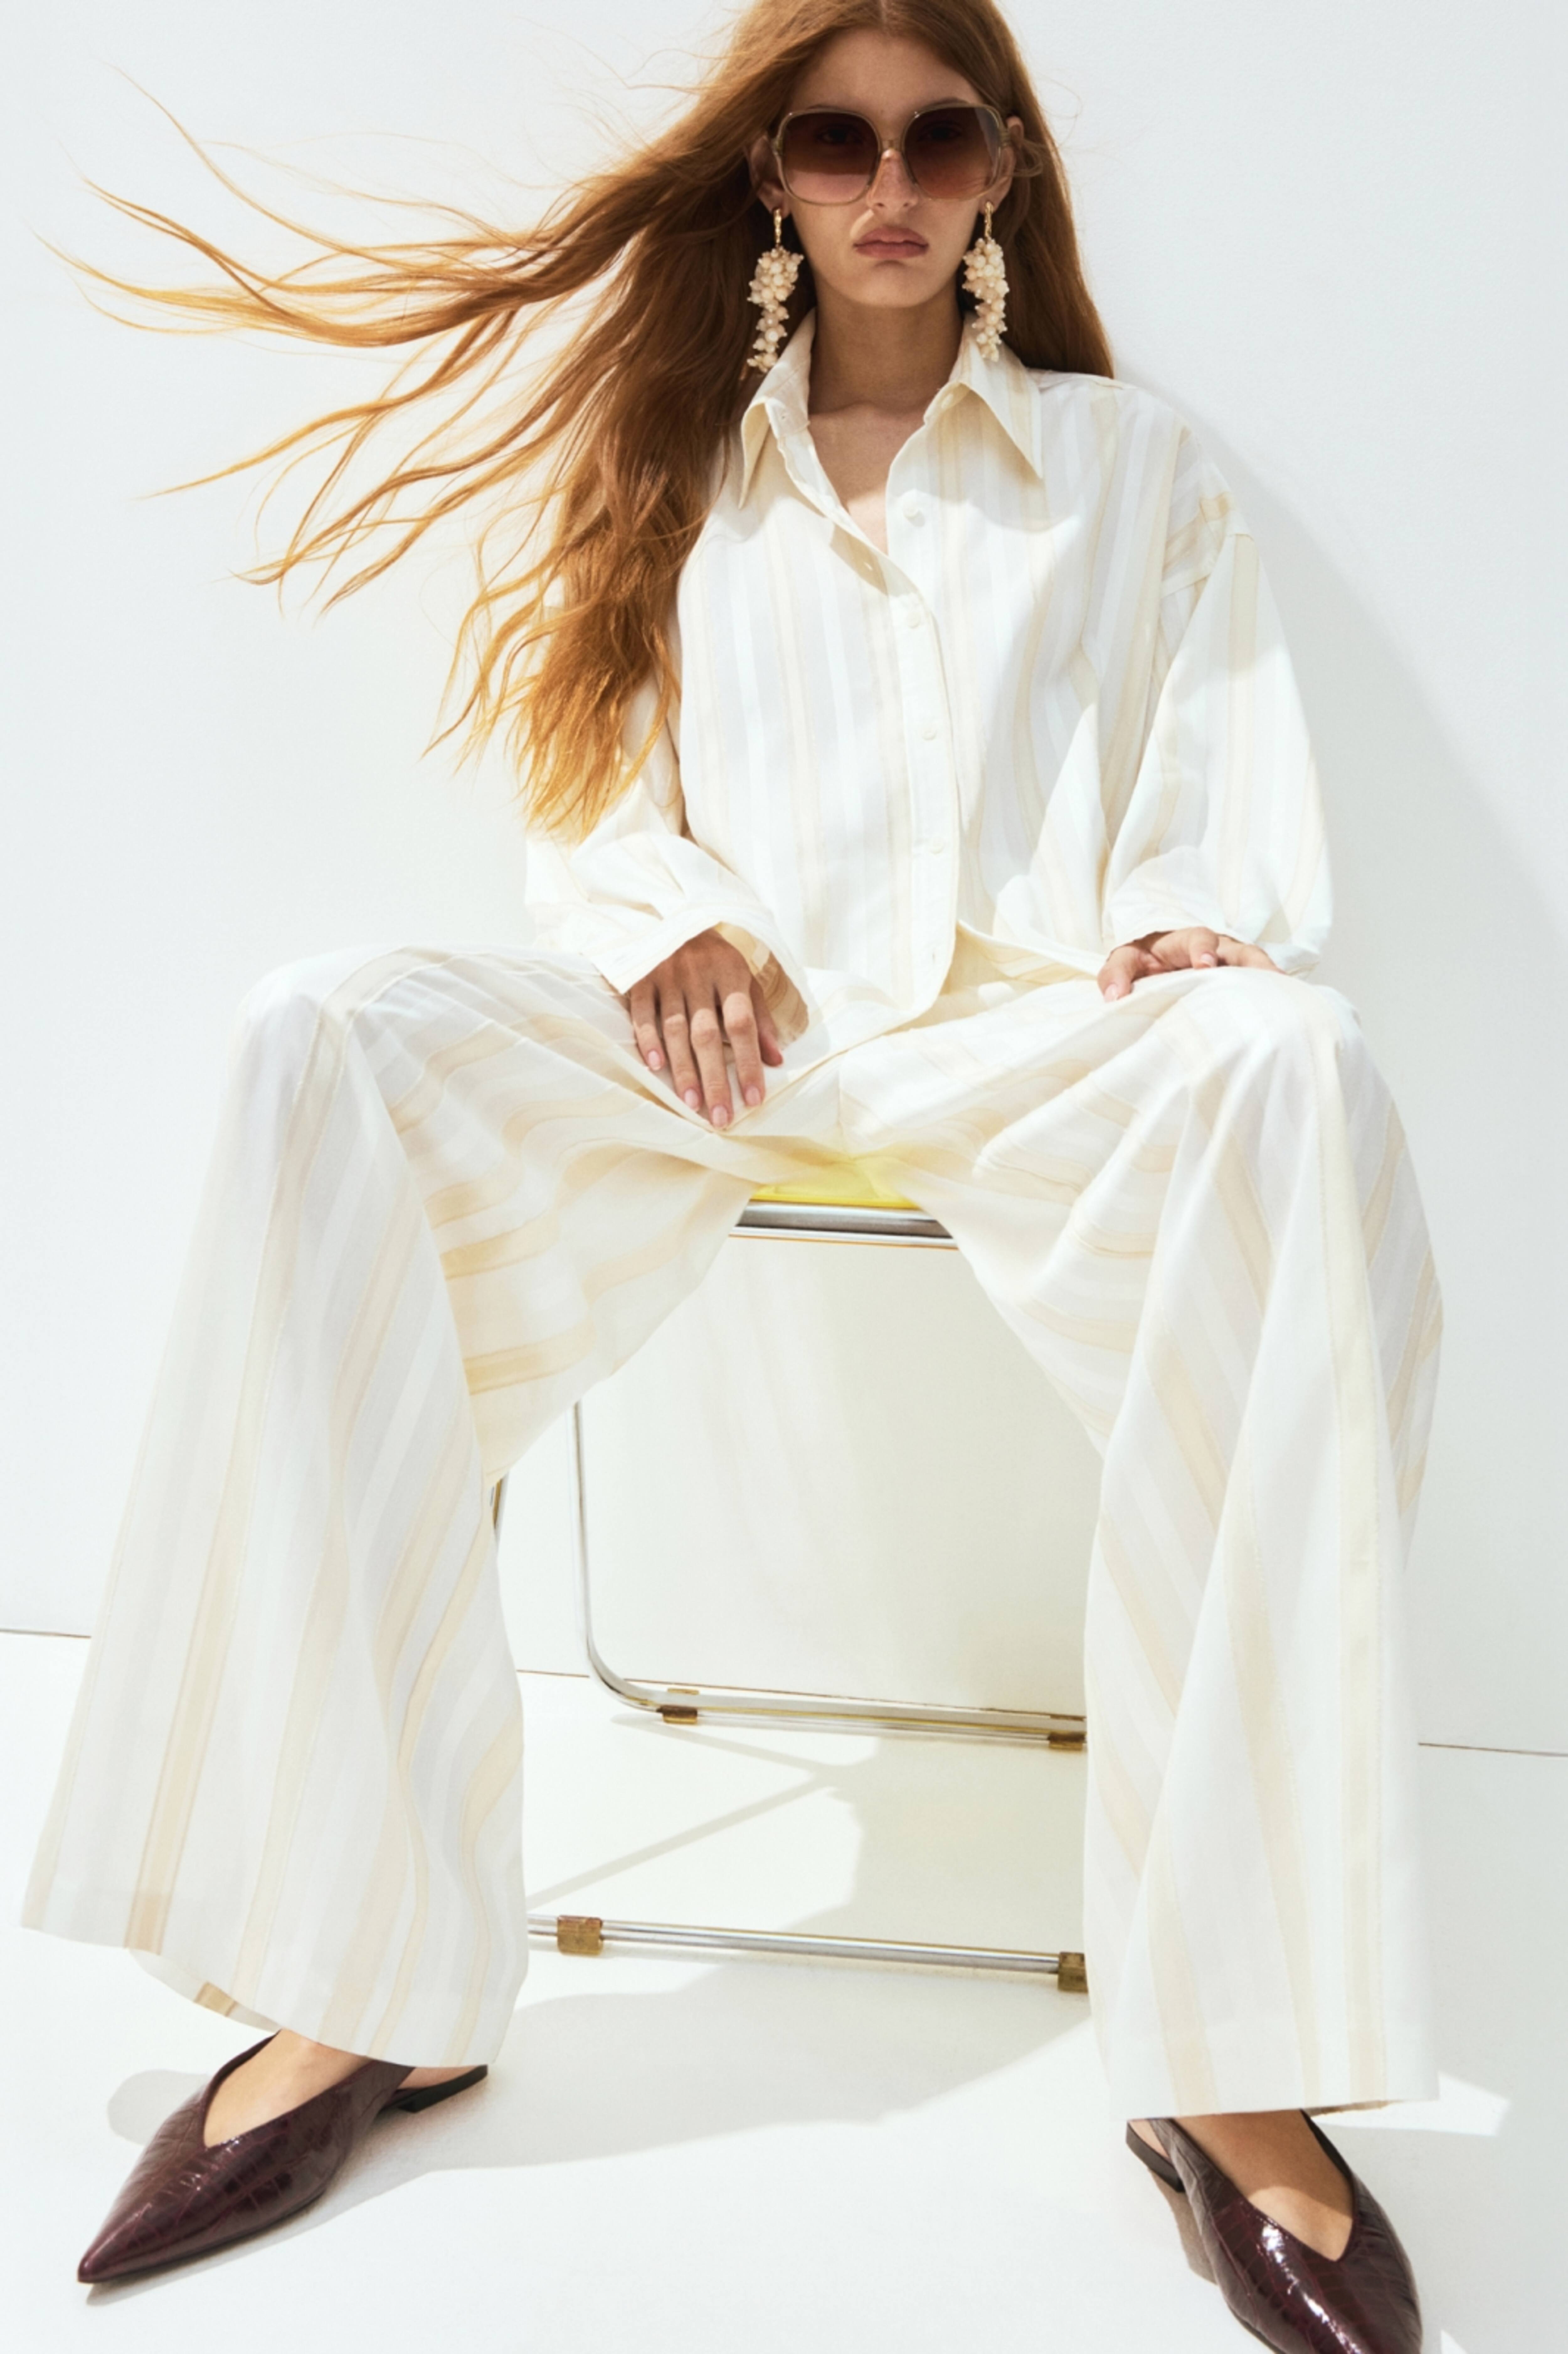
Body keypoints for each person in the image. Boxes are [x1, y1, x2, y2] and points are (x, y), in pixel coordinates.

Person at [24, 3, 1440, 2343]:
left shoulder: (1130, 466)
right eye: (834, 138)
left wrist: (1199, 915)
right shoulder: (683, 462)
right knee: (320, 1039)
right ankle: (364, 1978)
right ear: (773, 175)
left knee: (1300, 1067)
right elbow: (591, 782)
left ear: (1000, 169)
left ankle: (1232, 2052)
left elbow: (1208, 768)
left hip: (1032, 1035)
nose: (889, 184)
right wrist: (662, 913)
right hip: (726, 1045)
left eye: (938, 137)